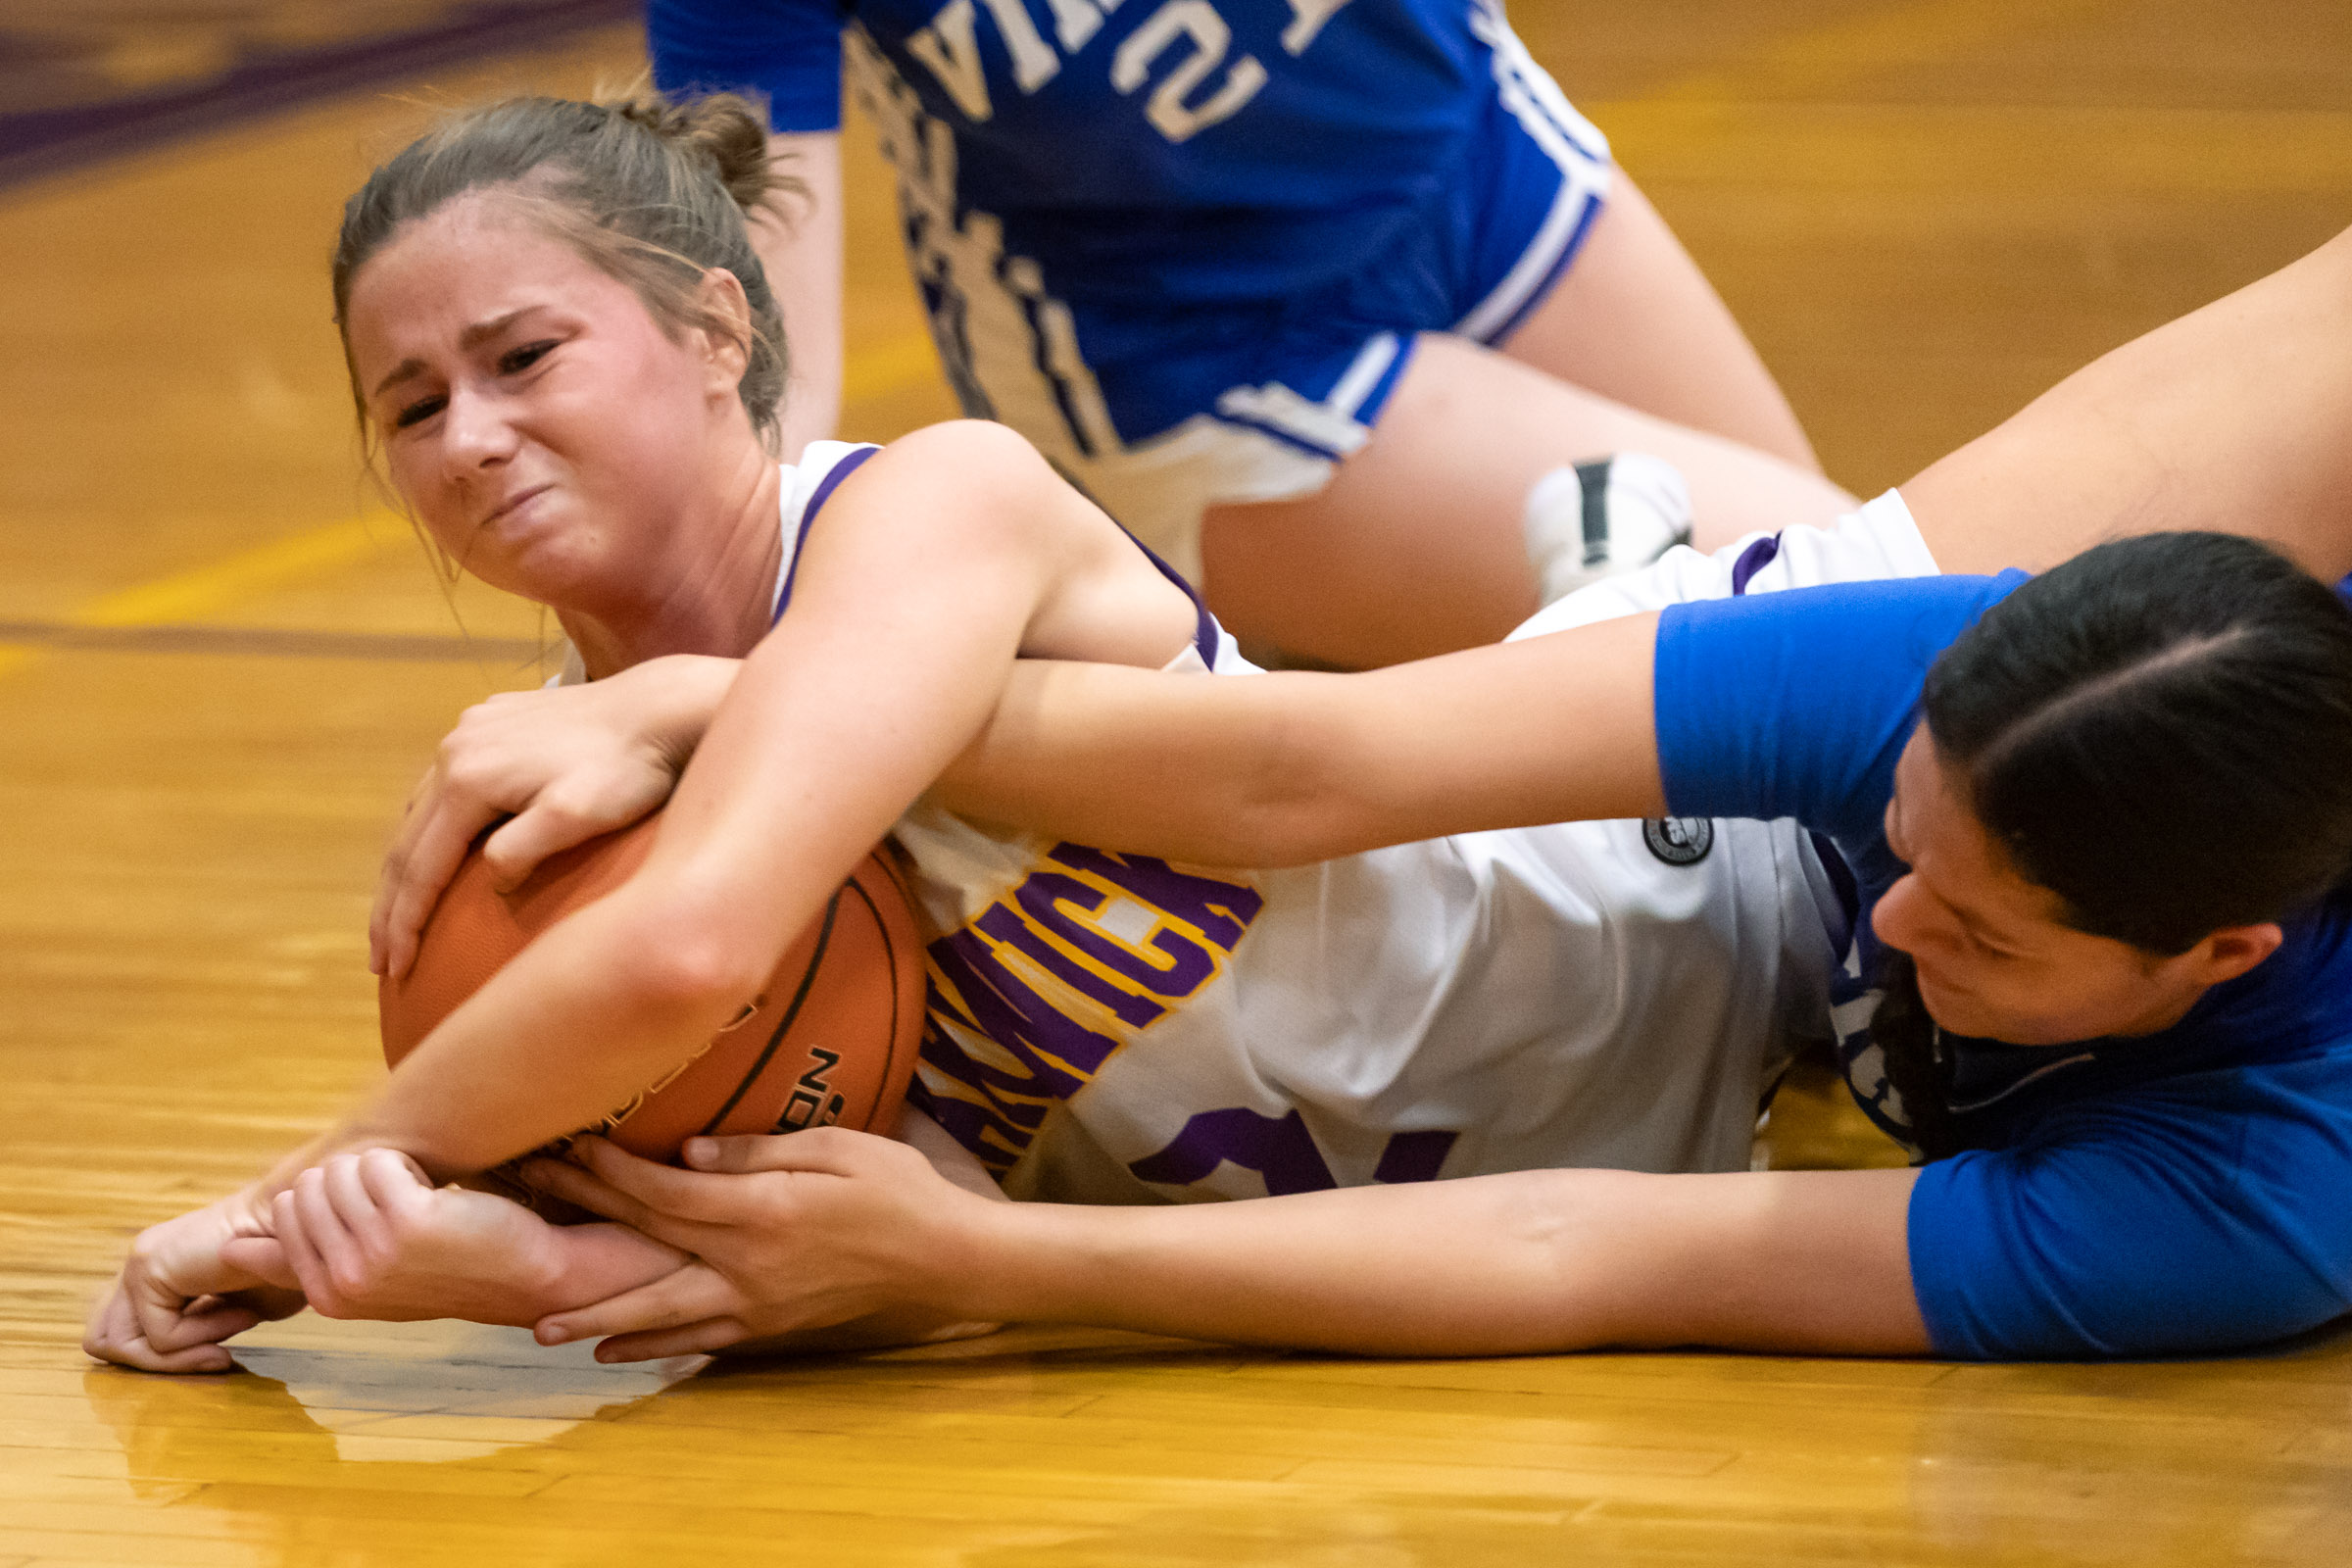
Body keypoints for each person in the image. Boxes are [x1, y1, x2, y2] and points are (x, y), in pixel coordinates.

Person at [81, 90, 2352, 1371]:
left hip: (1674, 896)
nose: (463, 437)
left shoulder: (932, 513)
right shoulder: (557, 846)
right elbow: (841, 1235)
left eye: (520, 356)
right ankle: (1619, 543)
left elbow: (715, 969)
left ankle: (1620, 536)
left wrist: (306, 1200)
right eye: (406, 402)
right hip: (1706, 939)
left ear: (709, 324)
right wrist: (488, 1248)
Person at [646, 0, 1860, 666]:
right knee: (1819, 624)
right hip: (1199, 360)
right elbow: (763, 344)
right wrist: (678, 679)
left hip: (1474, 149)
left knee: (1859, 592)